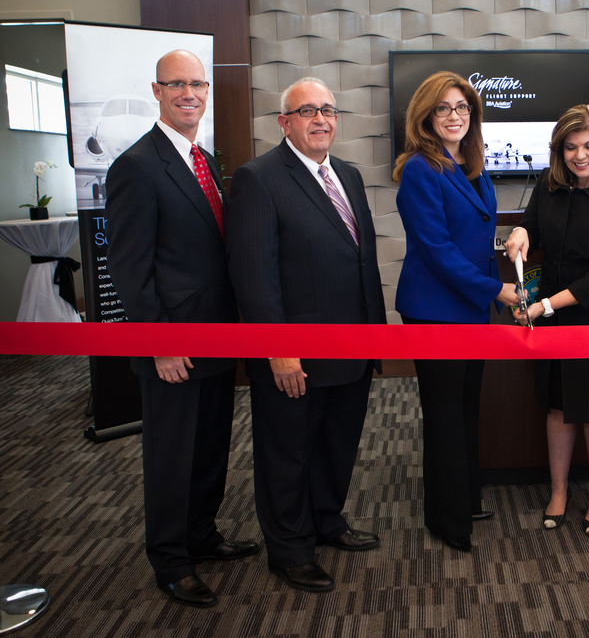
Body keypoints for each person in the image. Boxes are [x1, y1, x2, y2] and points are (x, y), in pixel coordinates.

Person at [106, 50, 256, 608]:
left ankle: (201, 534)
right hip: (172, 344)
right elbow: (128, 267)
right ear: (157, 90)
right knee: (172, 454)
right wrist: (161, 341)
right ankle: (170, 560)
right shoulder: (136, 166)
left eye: (197, 83)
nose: (189, 92)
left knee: (211, 444)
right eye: (177, 84)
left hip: (217, 336)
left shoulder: (205, 158)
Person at [226, 77, 385, 592]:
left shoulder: (349, 176)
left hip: (353, 347)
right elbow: (254, 275)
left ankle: (326, 520)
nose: (321, 120)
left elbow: (361, 262)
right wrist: (278, 349)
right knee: (288, 452)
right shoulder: (258, 179)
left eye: (328, 110)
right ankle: (289, 549)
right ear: (284, 123)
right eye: (307, 111)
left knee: (337, 444)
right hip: (294, 356)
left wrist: (376, 340)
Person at [393, 71, 519, 553]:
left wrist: (506, 243)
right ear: (426, 115)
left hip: (467, 306)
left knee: (467, 407)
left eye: (462, 108)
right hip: (436, 310)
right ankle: (448, 519)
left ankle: (464, 497)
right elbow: (437, 250)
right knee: (445, 413)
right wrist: (497, 289)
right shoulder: (421, 170)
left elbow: (469, 234)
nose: (454, 116)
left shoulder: (471, 164)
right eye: (443, 108)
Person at [506, 105, 589, 537]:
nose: (579, 155)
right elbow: (531, 232)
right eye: (570, 147)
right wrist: (520, 238)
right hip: (553, 310)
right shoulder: (549, 184)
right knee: (558, 406)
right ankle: (559, 491)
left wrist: (543, 307)